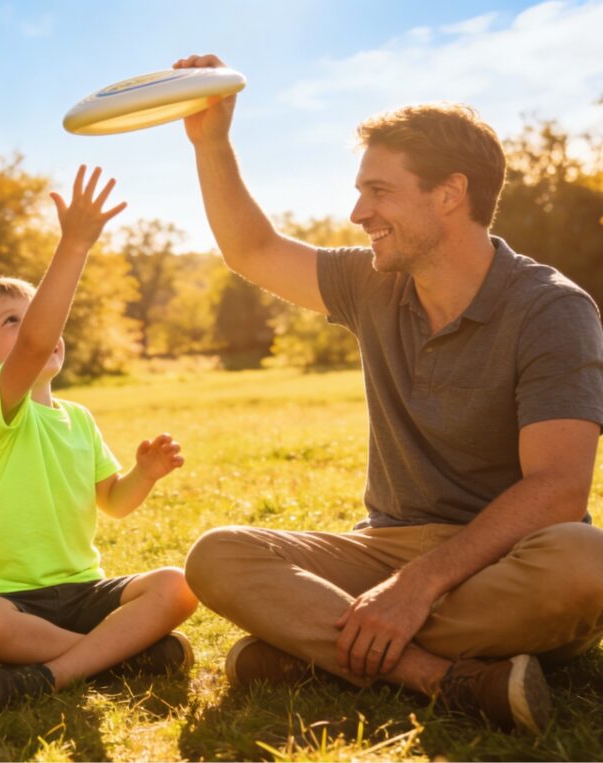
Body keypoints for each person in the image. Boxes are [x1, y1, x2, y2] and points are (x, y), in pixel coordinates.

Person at [174, 54, 603, 734]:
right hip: (383, 546)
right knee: (216, 554)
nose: (356, 212)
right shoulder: (374, 281)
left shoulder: (552, 309)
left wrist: (417, 586)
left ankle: (317, 647)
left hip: (503, 556)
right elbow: (252, 250)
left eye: (378, 191)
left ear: (450, 193)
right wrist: (213, 142)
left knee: (588, 562)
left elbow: (557, 490)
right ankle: (438, 675)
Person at [0, 166, 199, 713]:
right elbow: (32, 348)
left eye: (38, 315)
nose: (41, 329)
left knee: (177, 584)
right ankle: (119, 657)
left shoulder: (79, 418)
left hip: (83, 593)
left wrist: (143, 477)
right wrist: (75, 244)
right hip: (10, 602)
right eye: (14, 320)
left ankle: (53, 673)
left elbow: (114, 504)